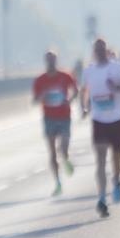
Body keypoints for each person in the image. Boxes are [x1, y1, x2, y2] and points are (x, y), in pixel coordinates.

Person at [81, 38, 120, 217]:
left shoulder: (117, 68)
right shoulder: (88, 71)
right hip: (99, 120)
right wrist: (84, 106)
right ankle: (102, 198)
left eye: (102, 48)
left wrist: (117, 88)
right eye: (97, 49)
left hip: (117, 119)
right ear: (93, 51)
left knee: (116, 159)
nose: (100, 51)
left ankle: (117, 180)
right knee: (100, 160)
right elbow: (84, 90)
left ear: (107, 49)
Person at [33, 50, 79, 195]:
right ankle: (58, 182)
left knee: (63, 149)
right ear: (45, 61)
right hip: (49, 118)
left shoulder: (65, 76)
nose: (51, 62)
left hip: (64, 116)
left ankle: (66, 159)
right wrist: (42, 96)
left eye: (53, 59)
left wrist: (69, 100)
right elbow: (34, 100)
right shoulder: (40, 80)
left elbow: (76, 90)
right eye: (48, 60)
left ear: (56, 60)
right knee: (52, 152)